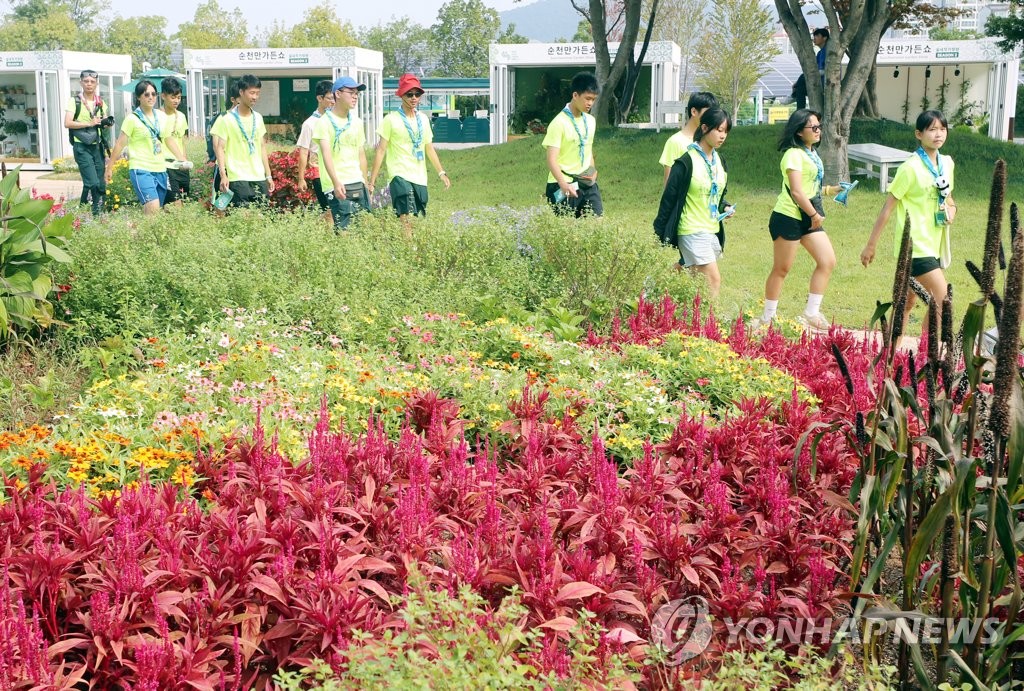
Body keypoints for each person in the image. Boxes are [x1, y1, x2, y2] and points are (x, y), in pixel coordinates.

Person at [861, 110, 956, 329]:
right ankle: (926, 354)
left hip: (935, 246)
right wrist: (870, 245)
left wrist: (952, 211)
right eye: (932, 130)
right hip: (915, 247)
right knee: (942, 302)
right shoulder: (910, 168)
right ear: (918, 134)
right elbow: (887, 209)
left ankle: (891, 356)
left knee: (906, 303)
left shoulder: (947, 164)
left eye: (942, 129)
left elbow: (950, 199)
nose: (938, 134)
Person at [754, 109, 844, 332]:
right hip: (788, 217)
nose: (818, 131)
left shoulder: (812, 154)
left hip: (808, 217)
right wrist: (814, 215)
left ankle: (811, 313)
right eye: (812, 127)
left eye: (819, 126)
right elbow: (796, 192)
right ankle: (768, 318)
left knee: (827, 260)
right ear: (799, 131)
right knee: (782, 269)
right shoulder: (793, 155)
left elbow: (809, 188)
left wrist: (832, 190)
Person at [653, 108, 733, 298]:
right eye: (719, 130)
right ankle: (709, 324)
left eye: (726, 131)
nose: (723, 136)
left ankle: (653, 288)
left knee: (688, 271)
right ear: (704, 128)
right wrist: (659, 231)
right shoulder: (686, 162)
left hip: (711, 229)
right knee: (713, 279)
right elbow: (669, 199)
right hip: (690, 229)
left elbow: (718, 194)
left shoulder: (720, 161)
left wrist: (725, 207)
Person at [370, 73, 450, 235]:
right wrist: (372, 181)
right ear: (401, 95)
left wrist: (441, 172)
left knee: (416, 216)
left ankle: (410, 247)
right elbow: (381, 150)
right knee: (406, 216)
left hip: (419, 176)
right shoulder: (390, 120)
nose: (414, 98)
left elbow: (429, 148)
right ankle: (409, 250)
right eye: (409, 94)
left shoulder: (423, 119)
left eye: (417, 94)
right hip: (399, 174)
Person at [104, 80, 188, 215]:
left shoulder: (161, 116)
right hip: (141, 168)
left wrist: (181, 159)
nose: (151, 97)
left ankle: (140, 233)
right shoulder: (132, 119)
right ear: (138, 97)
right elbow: (120, 143)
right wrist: (110, 167)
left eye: (153, 94)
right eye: (146, 94)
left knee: (153, 212)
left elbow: (168, 139)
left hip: (160, 169)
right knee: (153, 206)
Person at [542, 72, 602, 217]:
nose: (590, 103)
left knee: (597, 224)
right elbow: (551, 159)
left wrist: (592, 172)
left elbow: (588, 149)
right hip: (562, 183)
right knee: (568, 231)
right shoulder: (559, 123)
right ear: (575, 95)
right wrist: (563, 185)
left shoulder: (590, 121)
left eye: (593, 99)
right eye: (587, 98)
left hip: (587, 183)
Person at [210, 74, 274, 208]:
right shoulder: (226, 119)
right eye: (252, 93)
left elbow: (262, 147)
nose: (255, 97)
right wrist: (223, 174)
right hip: (237, 176)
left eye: (257, 93)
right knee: (236, 214)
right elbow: (219, 147)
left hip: (258, 177)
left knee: (261, 216)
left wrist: (268, 175)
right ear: (241, 93)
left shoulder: (258, 118)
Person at [315, 76, 370, 231]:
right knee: (343, 228)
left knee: (359, 228)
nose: (355, 96)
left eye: (357, 93)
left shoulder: (357, 122)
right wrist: (335, 182)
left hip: (356, 180)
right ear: (337, 94)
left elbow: (361, 154)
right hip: (337, 183)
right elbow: (326, 155)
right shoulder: (324, 122)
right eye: (351, 92)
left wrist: (365, 182)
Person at [64, 69, 110, 216]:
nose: (89, 84)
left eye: (92, 81)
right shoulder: (74, 101)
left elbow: (104, 120)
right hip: (81, 146)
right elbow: (67, 123)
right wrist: (89, 123)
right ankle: (96, 214)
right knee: (93, 183)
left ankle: (84, 211)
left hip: (97, 146)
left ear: (97, 83)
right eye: (86, 81)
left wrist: (105, 123)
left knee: (100, 183)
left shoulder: (101, 102)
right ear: (81, 82)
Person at [296, 79, 335, 224]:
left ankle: (316, 226)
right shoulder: (309, 123)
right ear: (320, 98)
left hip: (336, 170)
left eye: (335, 98)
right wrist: (301, 178)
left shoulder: (336, 120)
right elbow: (303, 152)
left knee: (337, 209)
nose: (333, 102)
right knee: (330, 209)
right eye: (330, 98)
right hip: (318, 172)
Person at [659, 91, 718, 187]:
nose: (711, 118)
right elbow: (669, 184)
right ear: (694, 111)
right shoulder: (675, 142)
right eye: (707, 113)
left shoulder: (708, 141)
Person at [160, 78, 190, 207]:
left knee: (183, 201)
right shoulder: (157, 116)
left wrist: (184, 158)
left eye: (178, 97)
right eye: (173, 97)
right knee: (174, 203)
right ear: (163, 96)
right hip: (166, 165)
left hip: (181, 165)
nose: (176, 101)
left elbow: (182, 140)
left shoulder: (181, 116)